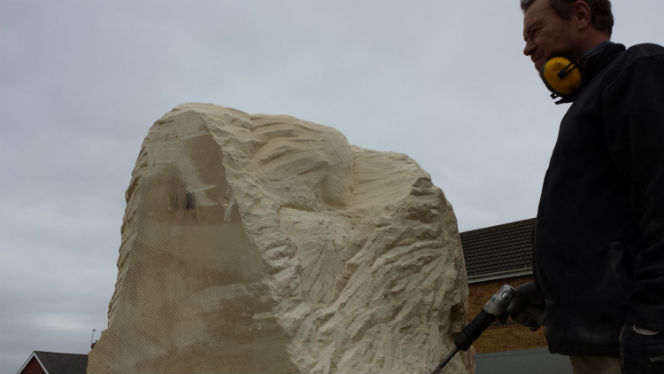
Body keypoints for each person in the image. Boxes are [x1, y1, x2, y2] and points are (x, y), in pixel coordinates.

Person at [508, 0, 664, 373]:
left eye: (535, 32)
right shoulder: (592, 97)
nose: (527, 47)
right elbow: (601, 221)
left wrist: (654, 320)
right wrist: (548, 288)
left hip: (631, 337)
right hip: (603, 337)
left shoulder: (637, 71)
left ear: (580, 15)